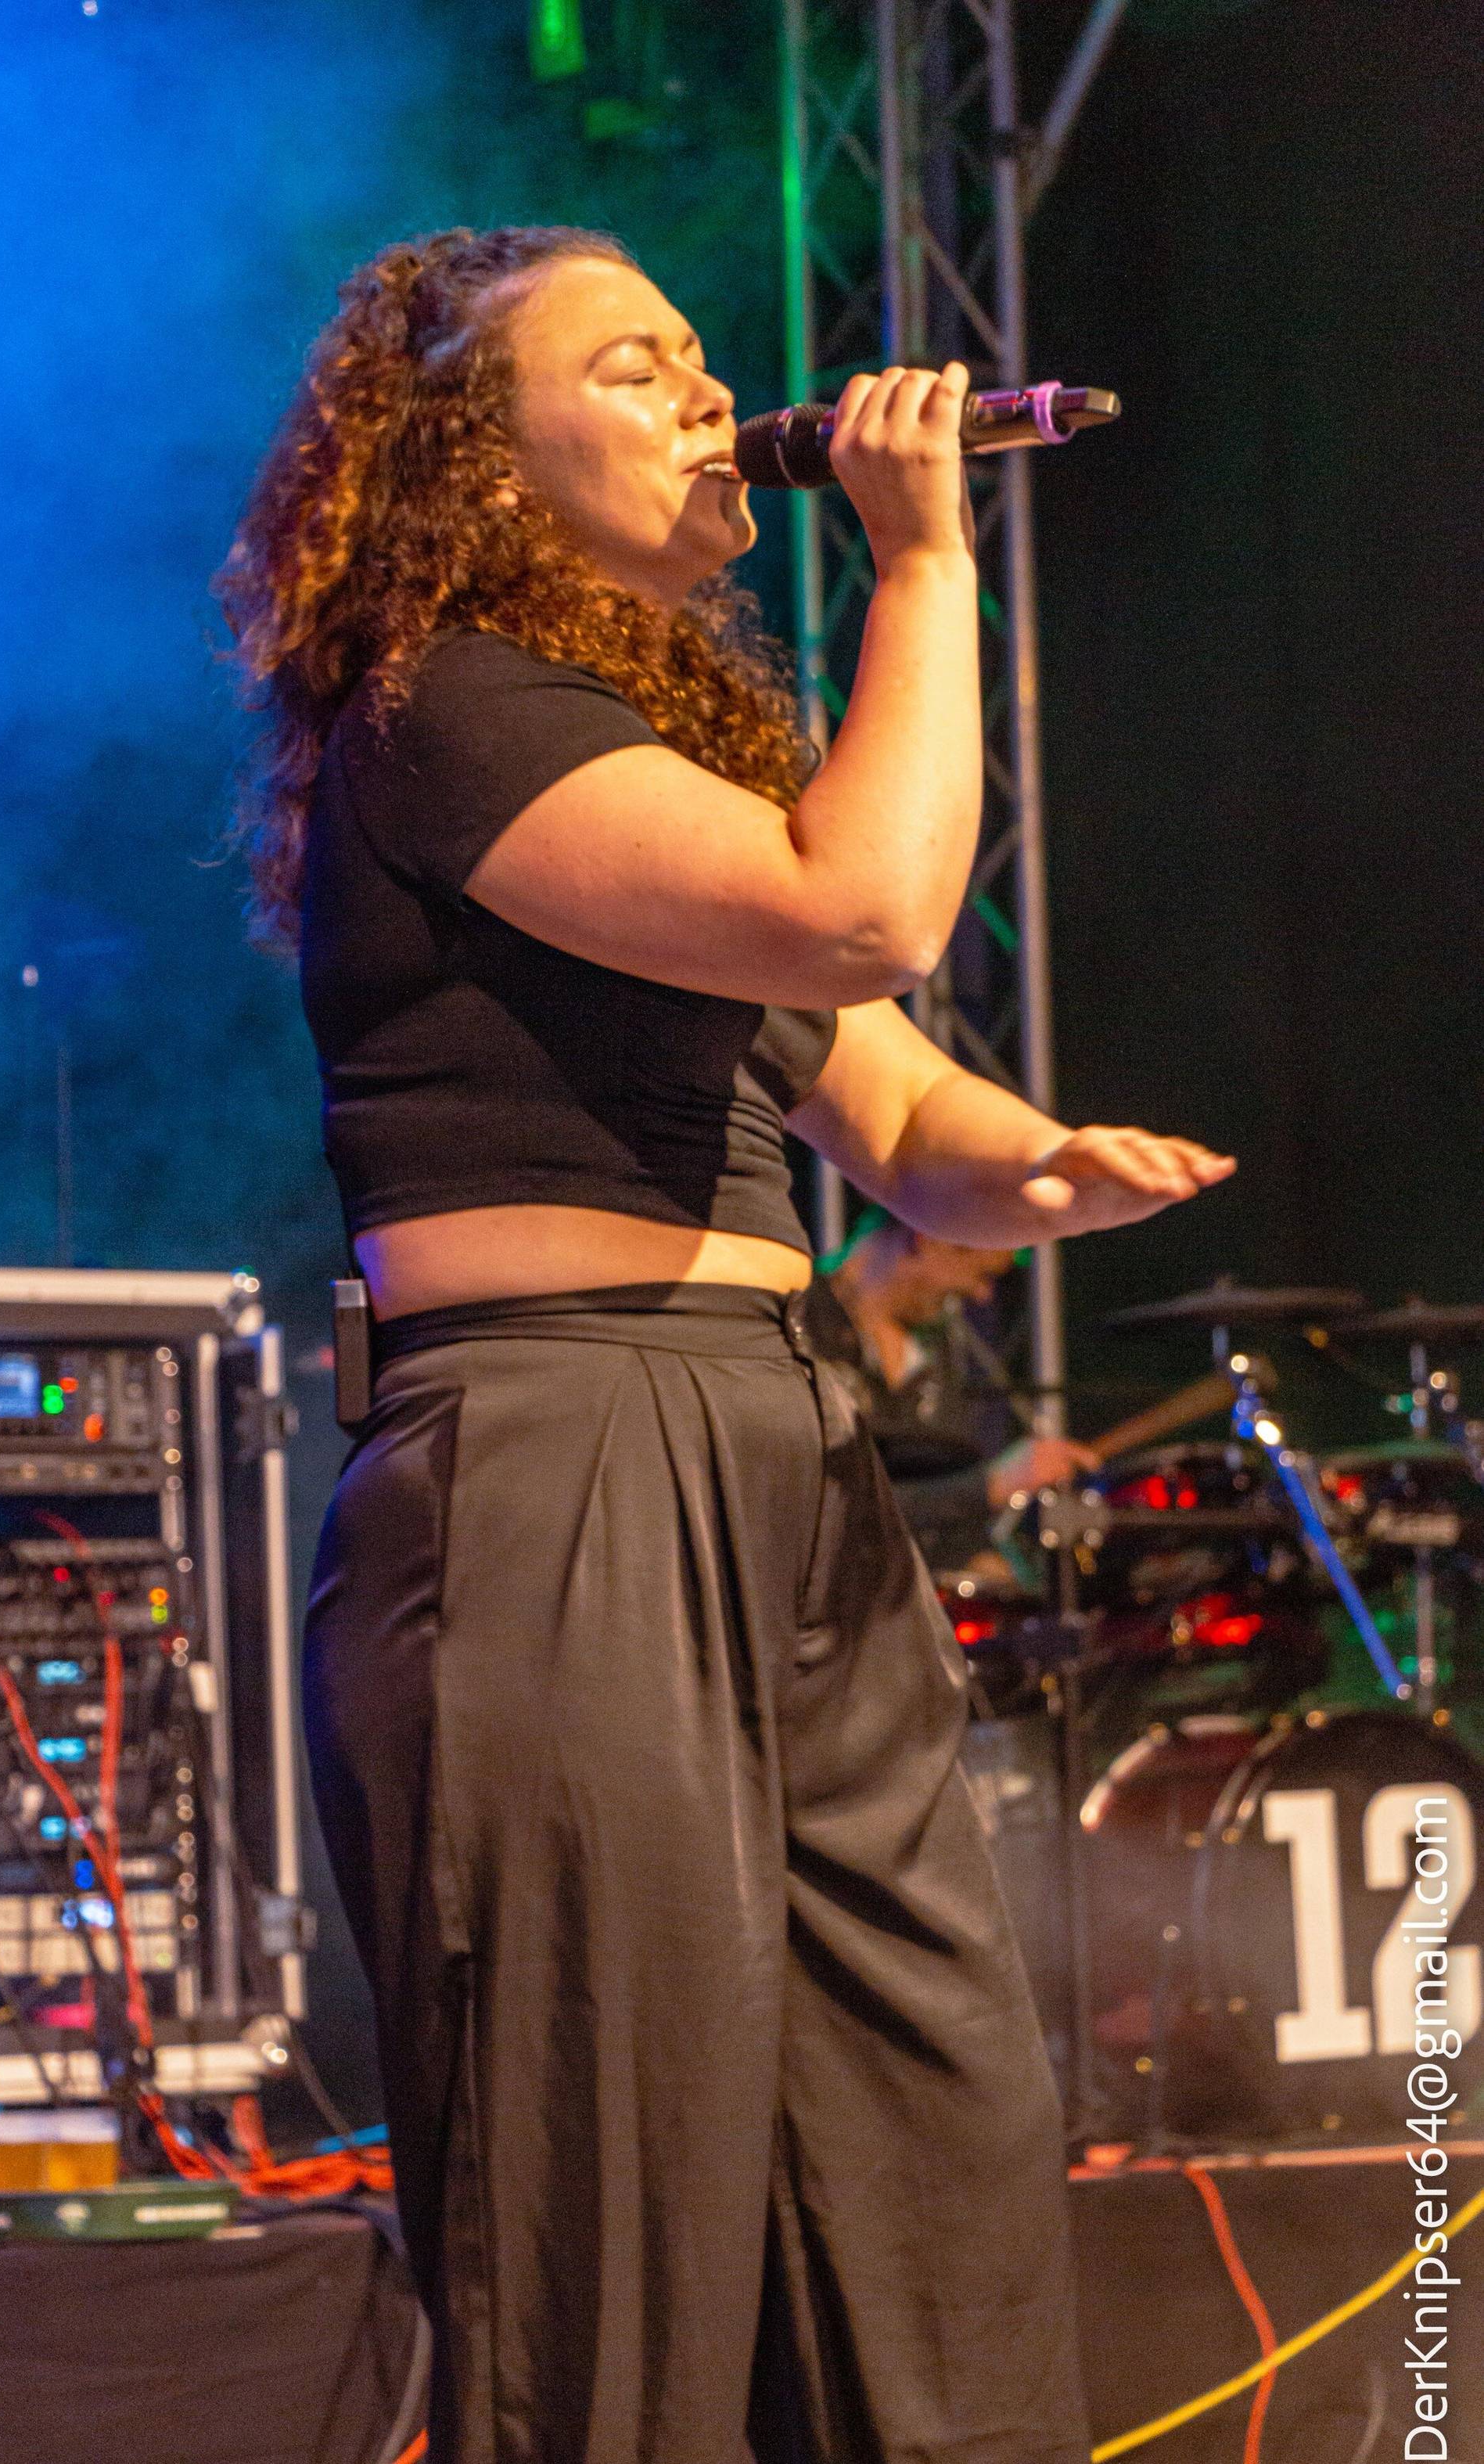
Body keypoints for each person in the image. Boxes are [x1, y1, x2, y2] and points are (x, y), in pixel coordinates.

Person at [217, 223, 1235, 2464]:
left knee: (931, 2138)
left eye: (700, 353)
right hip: (562, 1451)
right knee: (606, 2202)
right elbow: (861, 907)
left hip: (785, 1450)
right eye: (632, 364)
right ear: (476, 463)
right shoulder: (446, 705)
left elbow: (906, 1120)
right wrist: (925, 562)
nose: (705, 393)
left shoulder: (658, 763)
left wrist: (1041, 1167)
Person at [804, 1209, 1098, 1574]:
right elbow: (823, 1508)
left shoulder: (939, 1349)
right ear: (926, 1239)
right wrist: (989, 1486)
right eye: (982, 1274)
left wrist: (982, 1560)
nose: (981, 1294)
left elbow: (933, 1494)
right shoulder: (796, 1324)